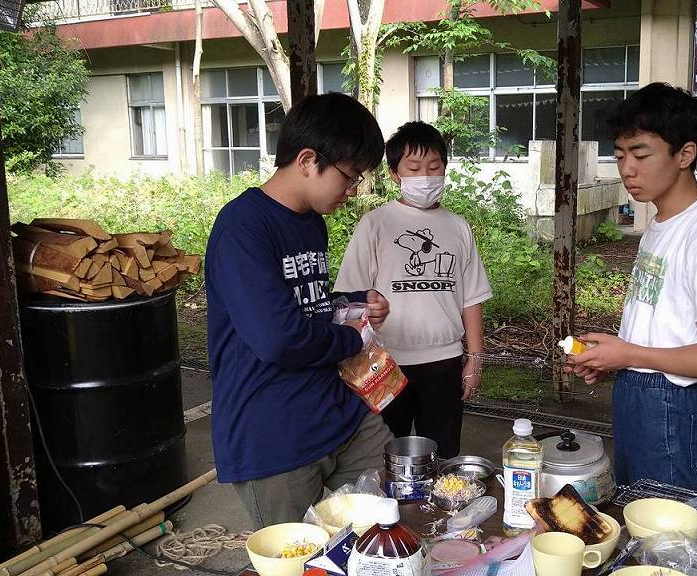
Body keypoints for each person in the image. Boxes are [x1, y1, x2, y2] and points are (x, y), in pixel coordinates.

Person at [205, 93, 394, 528]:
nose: (352, 191)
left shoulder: (311, 222)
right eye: (350, 177)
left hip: (337, 412)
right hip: (273, 432)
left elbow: (307, 305)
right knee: (298, 554)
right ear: (308, 160)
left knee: (388, 517)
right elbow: (279, 338)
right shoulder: (242, 227)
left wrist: (353, 303)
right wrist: (352, 338)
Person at [566, 83, 697, 491]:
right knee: (634, 512)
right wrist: (614, 358)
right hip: (637, 395)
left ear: (685, 154)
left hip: (671, 406)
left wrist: (629, 353)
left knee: (665, 524)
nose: (627, 169)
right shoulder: (661, 223)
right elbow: (667, 328)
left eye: (641, 154)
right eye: (620, 156)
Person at [334, 121, 492, 459]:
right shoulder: (375, 224)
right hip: (387, 364)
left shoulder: (458, 227)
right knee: (387, 458)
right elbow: (350, 300)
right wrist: (356, 365)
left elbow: (472, 298)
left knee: (444, 456)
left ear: (445, 169)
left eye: (434, 167)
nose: (426, 176)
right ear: (395, 174)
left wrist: (475, 360)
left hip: (445, 361)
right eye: (414, 168)